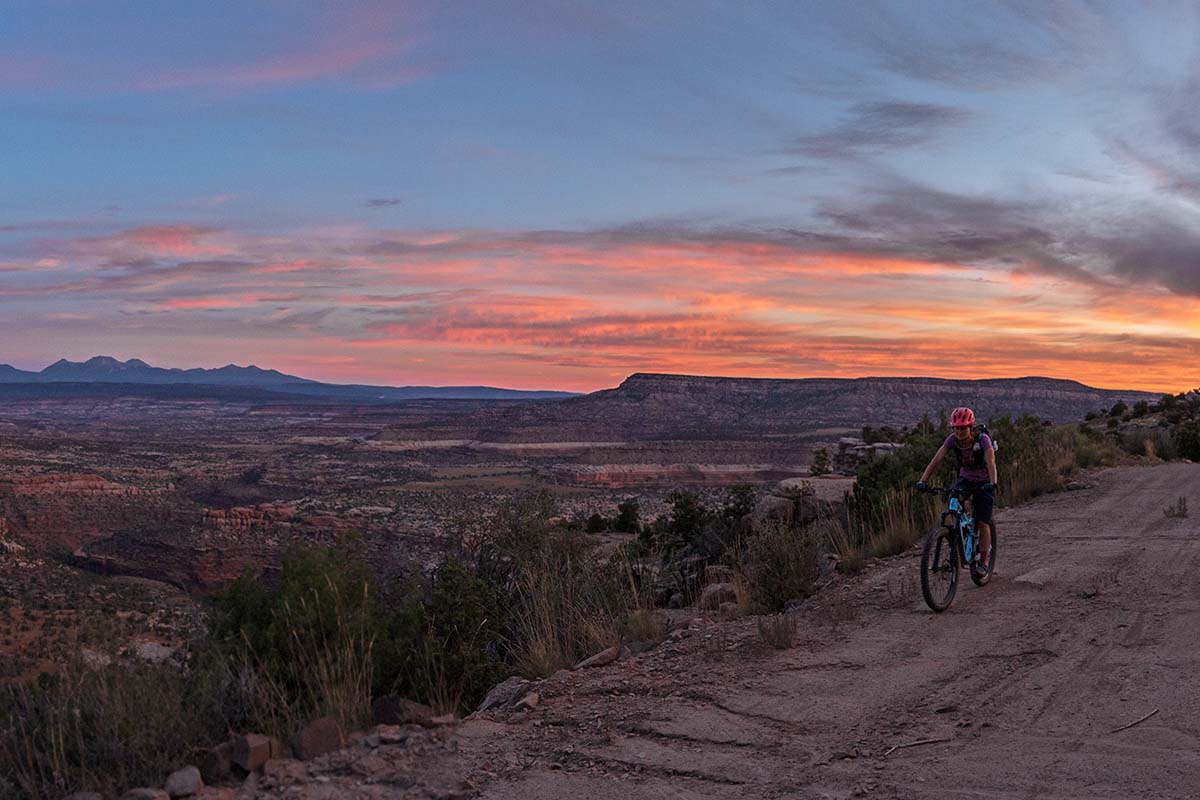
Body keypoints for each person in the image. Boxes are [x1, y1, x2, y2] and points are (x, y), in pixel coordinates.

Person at [915, 407, 998, 567]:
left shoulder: (982, 440)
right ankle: (957, 530)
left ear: (970, 427)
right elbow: (936, 460)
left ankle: (983, 561)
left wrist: (992, 483)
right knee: (953, 500)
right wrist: (923, 481)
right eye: (956, 428)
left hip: (984, 481)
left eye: (962, 428)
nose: (959, 431)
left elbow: (991, 462)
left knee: (982, 522)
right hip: (965, 479)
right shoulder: (952, 440)